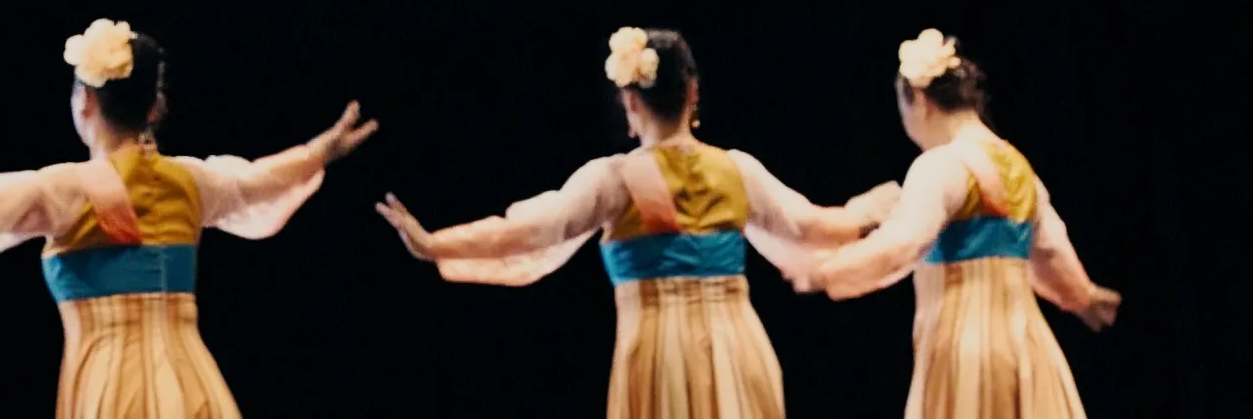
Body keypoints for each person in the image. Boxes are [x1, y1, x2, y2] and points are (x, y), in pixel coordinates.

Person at [0, 17, 379, 418]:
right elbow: (261, 180)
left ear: (84, 102)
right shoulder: (194, 182)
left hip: (109, 390)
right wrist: (318, 152)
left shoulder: (67, 190)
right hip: (191, 385)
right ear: (154, 106)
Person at [375, 27, 899, 419]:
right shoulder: (736, 170)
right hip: (736, 343)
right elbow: (810, 227)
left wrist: (435, 243)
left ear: (630, 100)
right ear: (692, 94)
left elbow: (532, 232)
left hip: (658, 349)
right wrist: (872, 215)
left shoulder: (616, 179)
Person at [803, 29, 1120, 419]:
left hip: (966, 351)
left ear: (919, 101)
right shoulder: (1021, 171)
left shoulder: (941, 165)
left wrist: (828, 272)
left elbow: (903, 244)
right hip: (1029, 351)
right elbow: (1058, 265)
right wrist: (1087, 298)